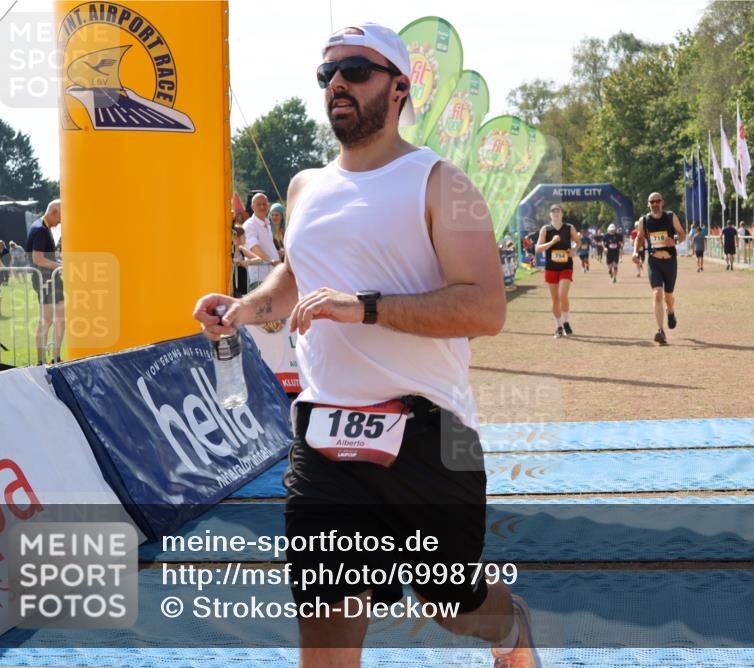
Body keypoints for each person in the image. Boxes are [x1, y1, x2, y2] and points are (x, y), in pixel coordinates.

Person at [192, 22, 539, 668]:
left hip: (433, 434)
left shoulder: (442, 183)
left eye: (355, 70)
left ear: (400, 87)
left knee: (454, 605)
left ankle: (511, 629)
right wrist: (245, 309)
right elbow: (297, 275)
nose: (338, 85)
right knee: (325, 630)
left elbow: (486, 308)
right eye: (327, 74)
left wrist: (366, 307)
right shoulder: (304, 187)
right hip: (325, 437)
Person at [635, 192, 686, 345]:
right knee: (657, 294)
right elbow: (639, 237)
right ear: (648, 204)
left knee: (668, 297)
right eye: (652, 202)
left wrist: (674, 241)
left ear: (662, 202)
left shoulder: (670, 216)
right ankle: (661, 331)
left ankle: (671, 311)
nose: (655, 204)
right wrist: (635, 252)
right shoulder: (644, 221)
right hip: (654, 262)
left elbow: (682, 234)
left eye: (657, 201)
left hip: (670, 262)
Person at [25, 199, 64, 364]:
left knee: (59, 319)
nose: (60, 222)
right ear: (54, 212)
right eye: (60, 218)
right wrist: (60, 266)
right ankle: (41, 361)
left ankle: (55, 358)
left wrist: (58, 263)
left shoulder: (41, 227)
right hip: (45, 280)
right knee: (46, 321)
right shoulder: (41, 229)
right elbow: (38, 259)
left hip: (50, 279)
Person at [537, 203, 581, 337]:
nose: (556, 213)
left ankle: (566, 321)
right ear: (550, 214)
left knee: (562, 295)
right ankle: (559, 326)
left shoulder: (569, 228)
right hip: (551, 267)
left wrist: (574, 250)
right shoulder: (545, 229)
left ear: (562, 214)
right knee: (555, 299)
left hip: (566, 266)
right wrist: (551, 242)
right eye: (553, 211)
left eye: (558, 211)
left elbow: (578, 242)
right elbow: (538, 248)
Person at [242, 192, 281, 289]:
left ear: (268, 206)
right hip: (260, 278)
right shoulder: (249, 225)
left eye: (264, 204)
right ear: (252, 207)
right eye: (258, 204)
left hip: (272, 277)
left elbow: (267, 248)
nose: (262, 207)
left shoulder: (267, 224)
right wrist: (272, 260)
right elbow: (254, 248)